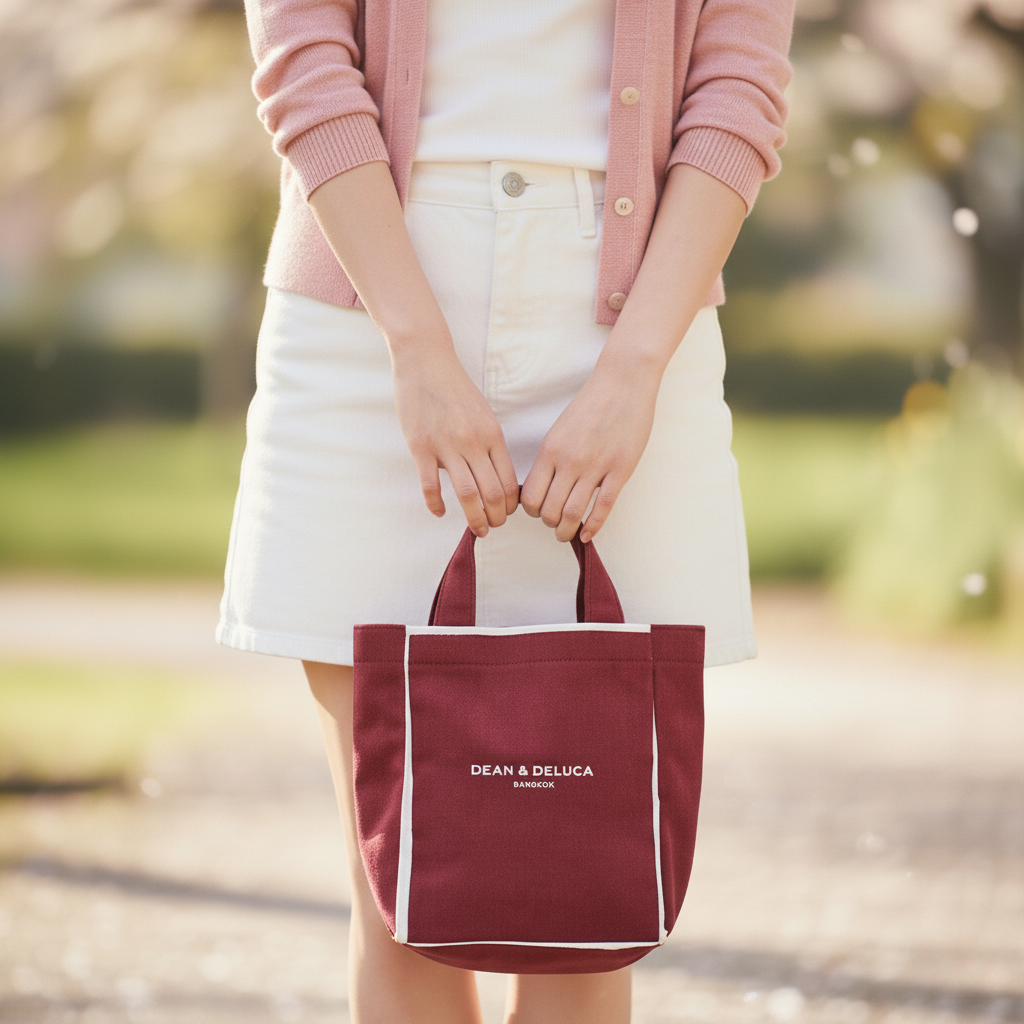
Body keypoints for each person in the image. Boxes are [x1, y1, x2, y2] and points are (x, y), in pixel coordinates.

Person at [217, 1, 793, 1021]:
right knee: (403, 900)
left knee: (583, 906)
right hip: (367, 298)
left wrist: (636, 369)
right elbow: (303, 58)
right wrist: (415, 348)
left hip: (634, 305)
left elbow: (737, 86)